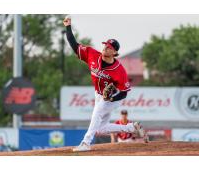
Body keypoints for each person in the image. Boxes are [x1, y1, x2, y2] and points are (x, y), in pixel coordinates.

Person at [63, 16, 148, 152]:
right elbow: (75, 45)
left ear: (114, 52)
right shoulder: (92, 54)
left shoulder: (119, 70)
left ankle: (85, 143)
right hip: (98, 94)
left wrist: (111, 98)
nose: (105, 48)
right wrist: (68, 27)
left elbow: (124, 92)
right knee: (100, 127)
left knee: (97, 112)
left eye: (109, 47)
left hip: (114, 98)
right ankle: (131, 128)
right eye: (105, 45)